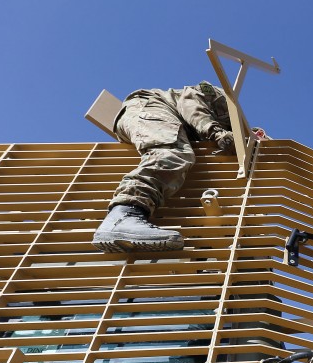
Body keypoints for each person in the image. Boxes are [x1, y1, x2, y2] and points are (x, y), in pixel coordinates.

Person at [92, 81, 235, 252]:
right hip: (151, 107)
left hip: (154, 117)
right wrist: (216, 131)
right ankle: (123, 217)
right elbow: (190, 103)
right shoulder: (228, 105)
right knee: (173, 153)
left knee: (182, 160)